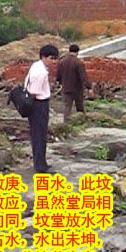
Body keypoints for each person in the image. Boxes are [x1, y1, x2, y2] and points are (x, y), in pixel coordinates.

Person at [25, 44, 59, 173]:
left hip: (38, 103)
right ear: (44, 57)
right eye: (52, 58)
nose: (54, 61)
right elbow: (34, 92)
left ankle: (41, 162)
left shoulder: (37, 66)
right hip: (38, 104)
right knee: (39, 135)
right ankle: (40, 166)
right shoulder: (41, 72)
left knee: (39, 134)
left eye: (56, 58)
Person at [56, 44, 93, 122]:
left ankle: (66, 123)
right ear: (77, 52)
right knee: (80, 107)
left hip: (66, 88)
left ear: (69, 51)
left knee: (67, 108)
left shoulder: (62, 62)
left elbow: (58, 76)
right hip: (77, 89)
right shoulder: (79, 63)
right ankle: (81, 122)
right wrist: (89, 87)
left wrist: (61, 83)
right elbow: (83, 77)